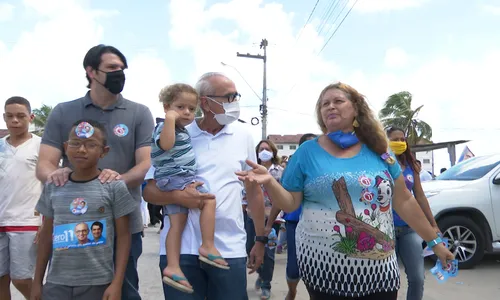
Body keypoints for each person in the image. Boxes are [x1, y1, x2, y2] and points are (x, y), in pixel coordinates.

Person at [236, 82, 454, 300]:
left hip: (380, 271)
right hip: (324, 268)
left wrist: (435, 243)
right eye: (325, 104)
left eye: (338, 101)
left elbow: (405, 201)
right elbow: (290, 204)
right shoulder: (306, 152)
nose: (330, 107)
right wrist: (270, 183)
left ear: (356, 109)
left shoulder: (379, 149)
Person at [35, 44, 154, 300]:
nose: (119, 73)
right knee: (72, 288)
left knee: (123, 289)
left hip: (123, 221)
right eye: (112, 68)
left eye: (122, 69)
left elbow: (144, 164)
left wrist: (114, 183)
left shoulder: (139, 113)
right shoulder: (63, 111)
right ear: (91, 71)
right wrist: (55, 176)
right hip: (73, 223)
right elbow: (45, 163)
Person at [143, 72, 266, 300]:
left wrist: (260, 240)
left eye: (236, 96)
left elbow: (253, 192)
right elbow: (149, 191)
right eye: (230, 97)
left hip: (229, 249)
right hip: (181, 252)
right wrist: (179, 198)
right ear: (205, 102)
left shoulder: (243, 135)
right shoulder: (175, 134)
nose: (235, 102)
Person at [31, 120, 137, 300]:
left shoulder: (114, 187)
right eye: (75, 143)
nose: (81, 149)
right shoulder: (54, 185)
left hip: (98, 283)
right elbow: (46, 235)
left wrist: (117, 283)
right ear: (65, 147)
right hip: (56, 283)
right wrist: (36, 282)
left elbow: (124, 237)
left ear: (104, 152)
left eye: (91, 145)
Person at [151, 83, 228, 293]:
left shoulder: (180, 129)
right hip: (176, 179)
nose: (186, 112)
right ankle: (208, 245)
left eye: (191, 109)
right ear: (167, 107)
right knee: (208, 200)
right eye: (180, 107)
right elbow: (166, 145)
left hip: (176, 179)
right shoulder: (165, 127)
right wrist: (169, 119)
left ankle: (173, 267)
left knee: (177, 225)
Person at [387, 127, 440, 300]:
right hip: (385, 231)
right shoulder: (380, 163)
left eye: (403, 139)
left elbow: (420, 196)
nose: (400, 143)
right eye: (395, 139)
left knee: (417, 278)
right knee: (387, 280)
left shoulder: (411, 165)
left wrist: (433, 224)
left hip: (409, 229)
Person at [0, 96, 43, 300]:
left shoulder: (41, 146)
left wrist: (45, 221)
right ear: (4, 118)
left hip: (27, 222)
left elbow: (50, 184)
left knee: (22, 279)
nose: (14, 121)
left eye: (20, 116)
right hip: (1, 221)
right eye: (10, 116)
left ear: (31, 117)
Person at [245, 139, 283, 300]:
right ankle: (261, 274)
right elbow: (245, 192)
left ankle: (266, 284)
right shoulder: (250, 170)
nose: (265, 151)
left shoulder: (279, 171)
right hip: (251, 216)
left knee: (269, 253)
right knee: (249, 248)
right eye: (261, 149)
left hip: (272, 218)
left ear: (273, 152)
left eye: (268, 149)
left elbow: (282, 194)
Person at [281, 133, 317, 300]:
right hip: (294, 221)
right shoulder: (293, 167)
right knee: (294, 268)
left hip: (319, 222)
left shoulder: (324, 167)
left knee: (318, 267)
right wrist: (268, 226)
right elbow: (281, 196)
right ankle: (292, 290)